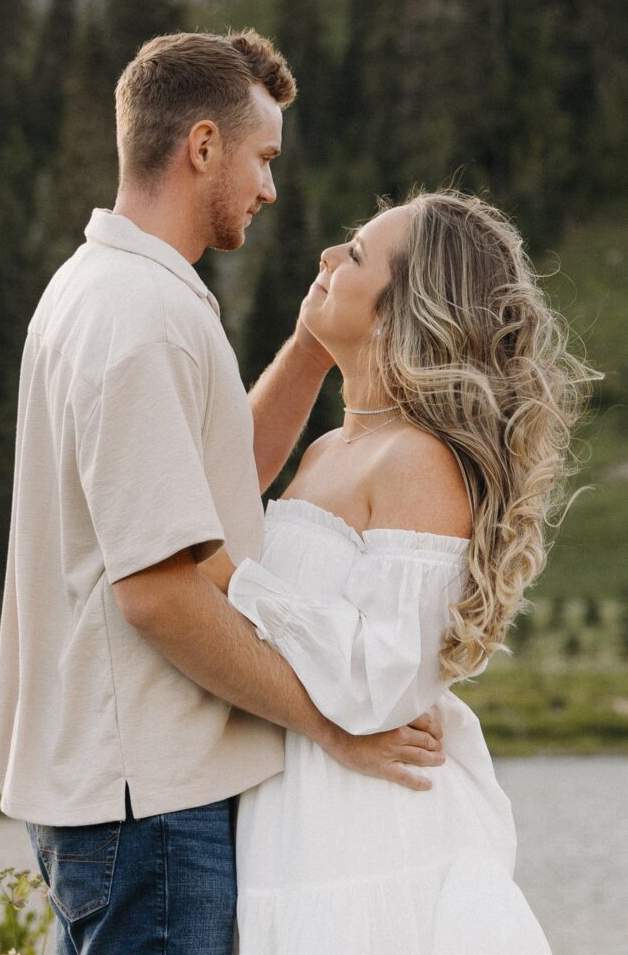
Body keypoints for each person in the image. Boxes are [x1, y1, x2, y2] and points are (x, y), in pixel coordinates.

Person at [0, 30, 444, 955]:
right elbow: (157, 593)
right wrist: (331, 726)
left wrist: (310, 347)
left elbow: (217, 477)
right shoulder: (143, 318)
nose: (269, 188)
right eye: (262, 157)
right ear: (202, 145)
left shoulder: (102, 287)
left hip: (120, 794)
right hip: (150, 801)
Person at [199, 190, 597, 954]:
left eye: (353, 255)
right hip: (298, 812)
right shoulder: (327, 451)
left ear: (397, 312)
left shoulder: (415, 459)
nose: (325, 257)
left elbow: (382, 680)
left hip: (371, 827)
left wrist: (233, 579)